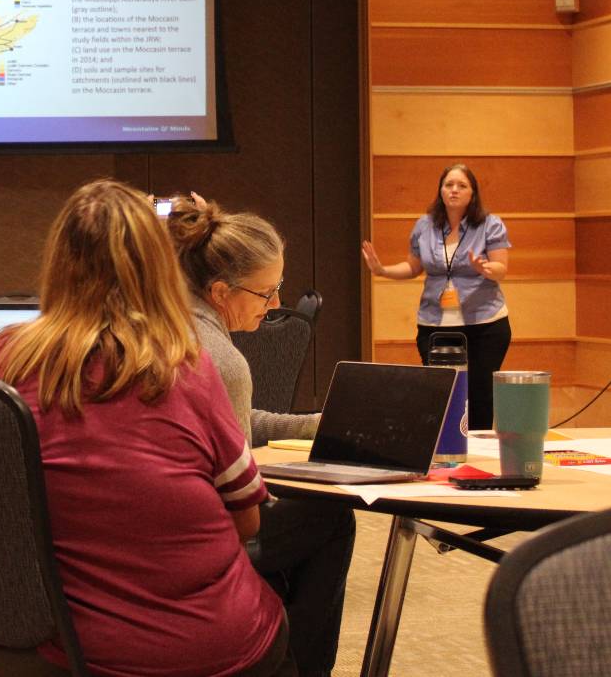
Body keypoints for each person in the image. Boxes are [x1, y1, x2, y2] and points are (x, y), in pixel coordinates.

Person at [0, 179, 293, 677]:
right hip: (180, 647)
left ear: (56, 261)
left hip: (13, 633)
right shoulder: (185, 365)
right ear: (161, 268)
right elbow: (245, 521)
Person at [168, 193, 355, 677]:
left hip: (152, 538)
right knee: (331, 516)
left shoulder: (168, 325)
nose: (276, 306)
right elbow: (241, 503)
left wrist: (319, 425)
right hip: (200, 547)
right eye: (266, 293)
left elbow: (237, 423)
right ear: (220, 292)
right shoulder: (220, 360)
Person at [360, 162, 511, 429]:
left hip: (484, 324)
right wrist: (382, 270)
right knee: (441, 393)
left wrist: (485, 268)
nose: (454, 190)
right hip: (436, 323)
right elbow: (413, 267)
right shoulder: (425, 226)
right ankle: (443, 449)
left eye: (461, 185)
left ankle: (475, 457)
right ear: (440, 190)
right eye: (448, 185)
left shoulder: (489, 224)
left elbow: (501, 268)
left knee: (479, 395)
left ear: (472, 193)